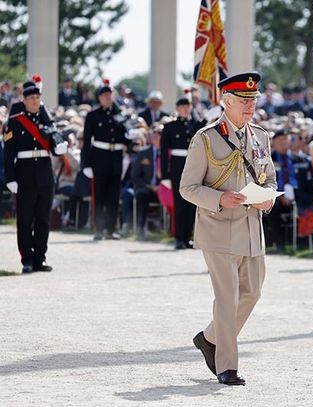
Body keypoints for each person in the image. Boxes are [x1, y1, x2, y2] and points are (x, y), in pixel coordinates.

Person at [180, 71, 277, 386]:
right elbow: (188, 187)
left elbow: (269, 179)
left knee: (253, 292)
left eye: (253, 100)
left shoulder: (260, 136)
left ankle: (209, 338)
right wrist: (220, 197)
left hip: (251, 229)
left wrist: (268, 200)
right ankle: (227, 365)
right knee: (227, 299)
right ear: (226, 101)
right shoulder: (206, 138)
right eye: (243, 100)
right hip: (218, 228)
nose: (250, 106)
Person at [3, 79, 68, 273]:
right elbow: (8, 154)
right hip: (24, 173)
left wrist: (59, 147)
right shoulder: (14, 122)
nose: (34, 101)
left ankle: (40, 258)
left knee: (43, 218)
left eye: (37, 97)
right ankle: (27, 260)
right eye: (31, 98)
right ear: (24, 101)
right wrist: (10, 178)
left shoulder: (47, 122)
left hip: (44, 173)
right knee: (25, 219)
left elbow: (54, 147)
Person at [81, 79, 135, 240]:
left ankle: (110, 230)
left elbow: (125, 138)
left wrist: (130, 136)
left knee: (113, 195)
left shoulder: (119, 115)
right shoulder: (92, 116)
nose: (107, 97)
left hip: (116, 157)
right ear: (99, 97)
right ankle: (98, 228)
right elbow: (86, 141)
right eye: (104, 95)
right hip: (99, 157)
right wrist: (86, 164)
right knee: (99, 195)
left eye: (110, 94)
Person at [160, 93, 206, 249]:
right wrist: (165, 175)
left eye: (188, 106)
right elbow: (164, 151)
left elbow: (198, 132)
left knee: (192, 202)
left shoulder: (195, 124)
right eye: (182, 107)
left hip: (192, 164)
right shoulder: (170, 127)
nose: (185, 109)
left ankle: (187, 237)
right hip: (177, 165)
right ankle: (179, 237)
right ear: (177, 109)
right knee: (179, 203)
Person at [131, 125, 162, 240]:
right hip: (147, 187)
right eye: (154, 133)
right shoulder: (143, 153)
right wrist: (149, 186)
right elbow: (135, 176)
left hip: (163, 187)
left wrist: (161, 185)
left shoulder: (167, 153)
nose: (156, 135)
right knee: (142, 194)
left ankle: (170, 230)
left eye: (159, 133)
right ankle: (140, 229)